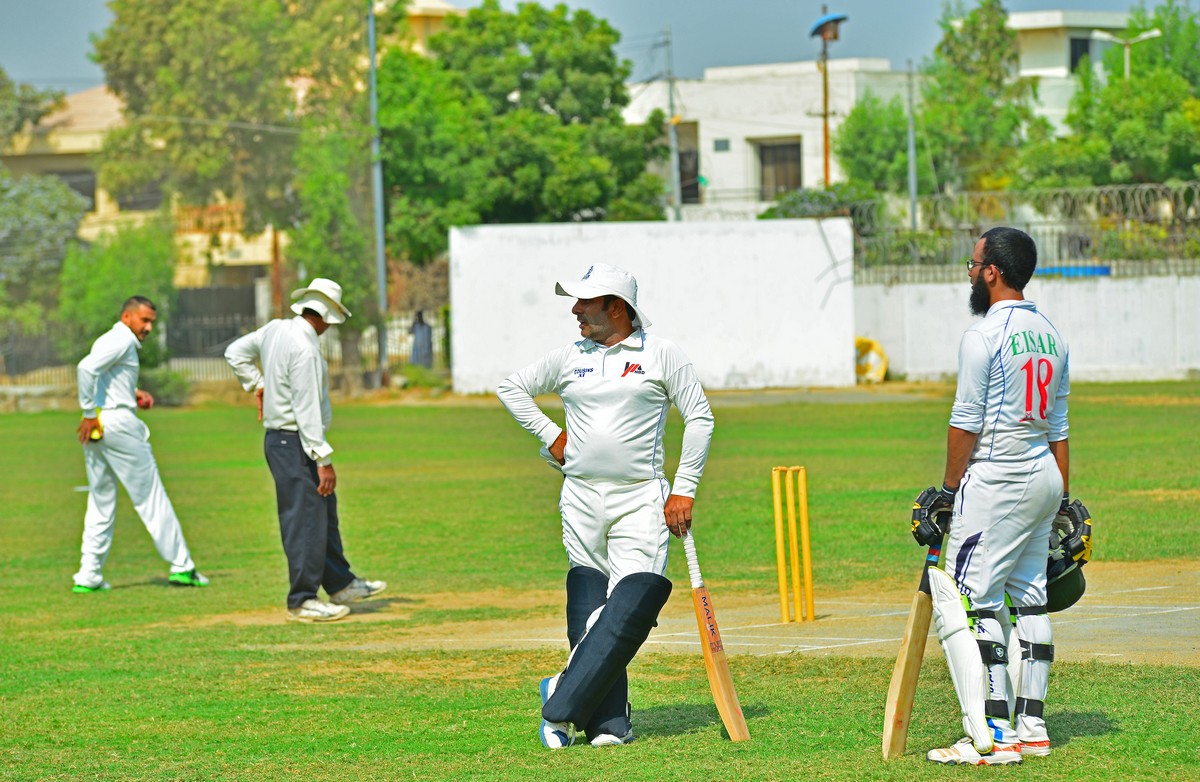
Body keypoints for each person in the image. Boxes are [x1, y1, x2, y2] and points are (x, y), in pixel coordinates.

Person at [497, 263, 715, 748]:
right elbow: (512, 388)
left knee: (632, 601)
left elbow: (699, 418)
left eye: (585, 302)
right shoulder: (569, 356)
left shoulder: (661, 354)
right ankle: (609, 721)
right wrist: (550, 434)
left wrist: (684, 488)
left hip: (641, 496)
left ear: (617, 307)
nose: (575, 310)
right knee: (589, 601)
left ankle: (561, 695)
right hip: (580, 495)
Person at [920, 227, 1070, 766]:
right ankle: (1032, 726)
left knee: (968, 600)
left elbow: (965, 422)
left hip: (997, 478)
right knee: (1030, 596)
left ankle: (991, 733)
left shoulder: (982, 335)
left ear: (992, 272)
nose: (968, 273)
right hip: (1042, 474)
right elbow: (1059, 426)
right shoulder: (1051, 334)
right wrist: (1062, 497)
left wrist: (948, 490)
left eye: (973, 264)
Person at [224, 278, 385, 623]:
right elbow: (306, 407)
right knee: (305, 520)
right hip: (293, 443)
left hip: (286, 441)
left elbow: (235, 352)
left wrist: (258, 384)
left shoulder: (275, 329)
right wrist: (323, 459)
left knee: (323, 512)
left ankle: (340, 583)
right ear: (326, 316)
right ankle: (302, 600)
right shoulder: (306, 350)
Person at [73, 296, 208, 592]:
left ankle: (89, 575)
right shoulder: (122, 340)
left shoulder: (112, 338)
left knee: (100, 500)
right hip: (115, 424)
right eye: (144, 320)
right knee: (150, 497)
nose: (148, 327)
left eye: (151, 322)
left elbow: (103, 375)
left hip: (100, 424)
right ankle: (182, 567)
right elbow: (86, 369)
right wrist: (87, 413)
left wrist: (131, 392)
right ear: (127, 317)